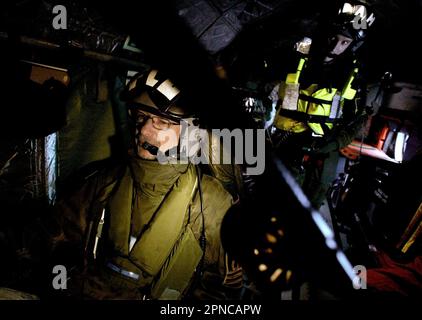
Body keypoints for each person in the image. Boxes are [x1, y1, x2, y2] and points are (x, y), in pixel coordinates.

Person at [47, 69, 243, 300]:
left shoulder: (212, 203)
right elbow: (54, 235)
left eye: (162, 122)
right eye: (141, 117)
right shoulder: (106, 179)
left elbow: (223, 291)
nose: (144, 130)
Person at [271, 1, 376, 208]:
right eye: (332, 38)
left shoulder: (353, 79)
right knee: (276, 199)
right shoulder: (296, 62)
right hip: (287, 142)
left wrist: (334, 143)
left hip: (323, 152)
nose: (334, 47)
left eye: (345, 42)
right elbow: (264, 85)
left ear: (353, 45)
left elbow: (356, 121)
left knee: (312, 203)